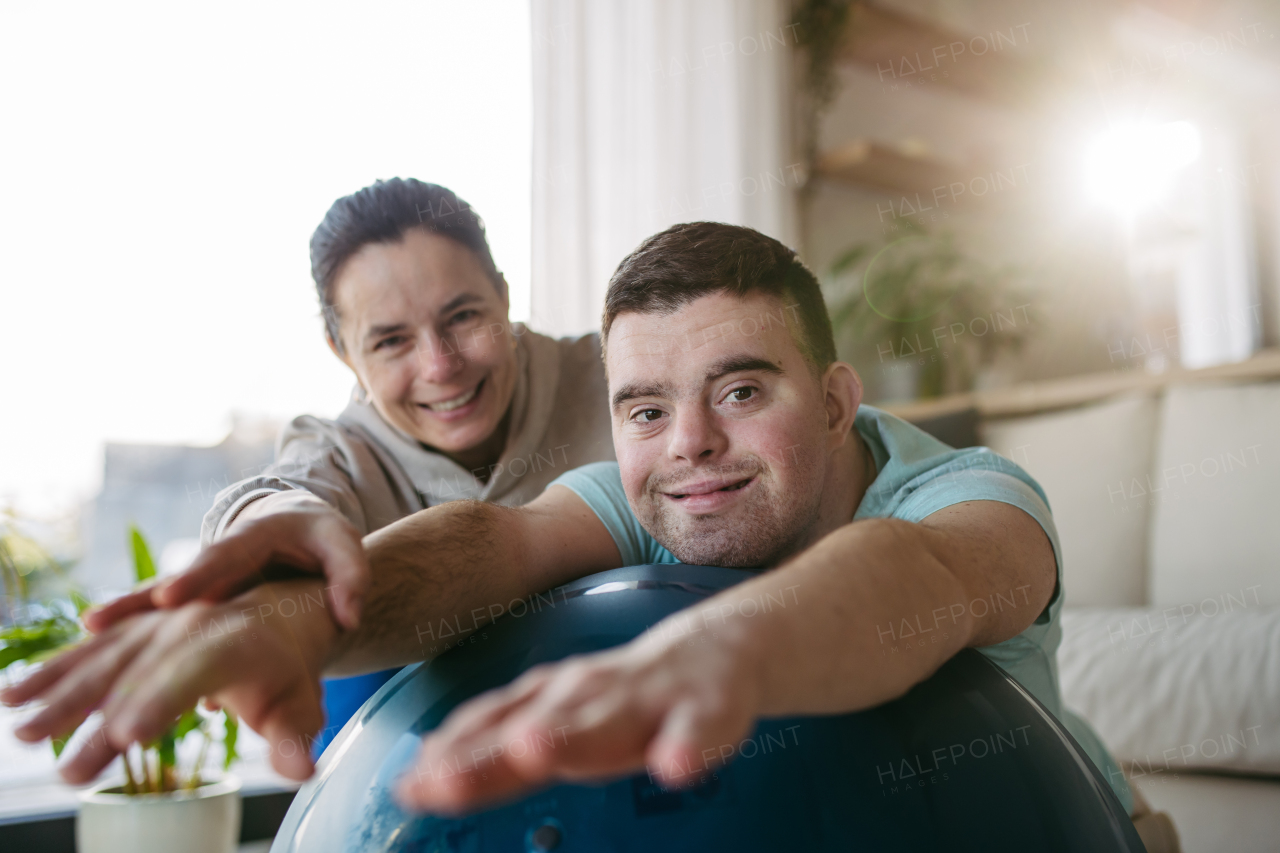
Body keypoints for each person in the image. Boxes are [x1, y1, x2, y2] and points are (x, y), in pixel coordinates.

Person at [8, 223, 1176, 851]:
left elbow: (912, 573)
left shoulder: (975, 494)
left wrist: (732, 646)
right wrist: (298, 619)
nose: (690, 449)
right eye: (644, 409)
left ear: (832, 401)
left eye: (740, 390)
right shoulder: (653, 495)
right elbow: (488, 544)